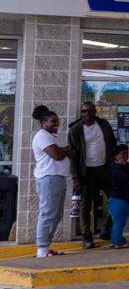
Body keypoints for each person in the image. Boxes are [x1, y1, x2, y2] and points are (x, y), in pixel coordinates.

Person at [67, 101, 117, 249]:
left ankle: (107, 229)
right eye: (84, 112)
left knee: (116, 199)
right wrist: (75, 177)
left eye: (90, 111)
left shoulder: (104, 125)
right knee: (85, 205)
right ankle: (87, 236)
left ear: (95, 112)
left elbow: (113, 145)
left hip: (104, 169)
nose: (87, 114)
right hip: (86, 172)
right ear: (81, 113)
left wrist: (116, 162)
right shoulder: (75, 129)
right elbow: (73, 156)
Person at [32, 105, 72, 258]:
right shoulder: (42, 135)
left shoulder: (51, 136)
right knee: (48, 213)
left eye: (57, 121)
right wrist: (66, 150)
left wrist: (65, 150)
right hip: (49, 178)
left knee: (56, 214)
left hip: (57, 177)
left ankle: (46, 247)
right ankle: (42, 248)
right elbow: (57, 155)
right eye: (53, 122)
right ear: (44, 122)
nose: (56, 124)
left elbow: (62, 152)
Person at [107, 144, 129, 249]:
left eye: (127, 153)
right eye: (123, 154)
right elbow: (126, 178)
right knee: (119, 222)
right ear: (116, 156)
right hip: (118, 199)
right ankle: (119, 242)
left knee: (117, 222)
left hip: (122, 199)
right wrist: (125, 168)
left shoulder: (126, 166)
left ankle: (114, 240)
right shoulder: (115, 168)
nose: (125, 156)